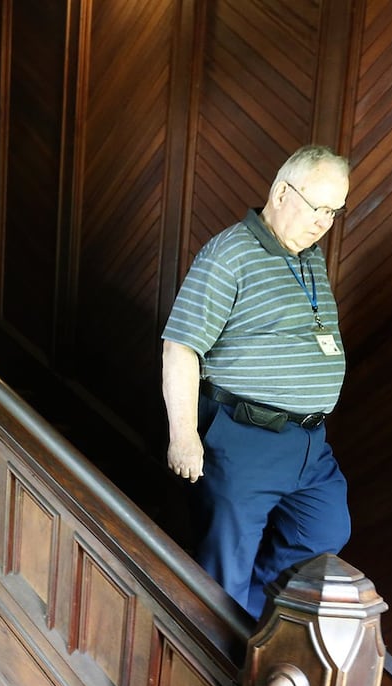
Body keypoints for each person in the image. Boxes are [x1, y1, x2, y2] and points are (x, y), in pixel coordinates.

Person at [161, 144, 353, 617]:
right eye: (317, 208)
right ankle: (218, 665)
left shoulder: (307, 255)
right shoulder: (231, 253)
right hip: (245, 435)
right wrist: (183, 437)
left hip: (308, 441)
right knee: (226, 565)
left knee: (326, 529)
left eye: (334, 211)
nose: (323, 222)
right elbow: (180, 347)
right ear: (282, 192)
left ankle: (252, 621)